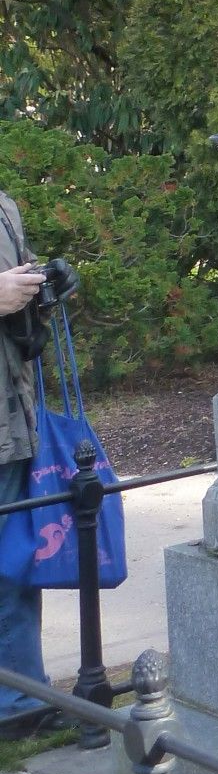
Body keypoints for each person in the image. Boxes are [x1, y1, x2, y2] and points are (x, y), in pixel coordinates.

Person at [0, 190, 55, 739]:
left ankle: (24, 695)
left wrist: (44, 288)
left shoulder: (5, 206)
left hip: (14, 419)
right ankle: (17, 701)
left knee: (16, 567)